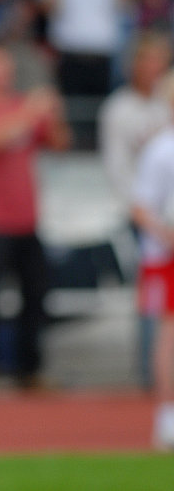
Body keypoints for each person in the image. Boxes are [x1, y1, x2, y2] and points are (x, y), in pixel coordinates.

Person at [0, 42, 71, 388]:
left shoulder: (23, 106)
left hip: (27, 220)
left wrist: (54, 113)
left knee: (36, 296)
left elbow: (60, 143)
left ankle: (29, 370)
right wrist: (31, 111)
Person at [98, 33, 171, 387]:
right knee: (155, 305)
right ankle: (150, 378)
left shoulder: (164, 108)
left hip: (162, 218)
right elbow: (118, 168)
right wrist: (146, 218)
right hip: (146, 220)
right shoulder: (120, 109)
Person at [130, 75, 174, 450]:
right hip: (166, 256)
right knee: (169, 333)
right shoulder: (162, 149)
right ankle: (168, 415)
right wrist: (168, 235)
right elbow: (142, 208)